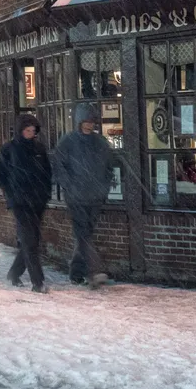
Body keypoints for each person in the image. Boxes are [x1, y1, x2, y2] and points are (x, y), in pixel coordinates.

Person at [51, 102, 118, 288]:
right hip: (76, 196)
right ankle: (93, 271)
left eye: (91, 121)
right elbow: (58, 165)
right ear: (79, 122)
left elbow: (109, 167)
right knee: (83, 234)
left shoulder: (100, 143)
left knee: (85, 234)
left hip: (95, 196)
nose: (89, 125)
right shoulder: (68, 142)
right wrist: (69, 186)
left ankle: (76, 272)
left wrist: (103, 187)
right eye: (86, 121)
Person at [0, 112, 52, 292]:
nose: (31, 133)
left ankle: (14, 272)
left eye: (33, 130)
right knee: (30, 240)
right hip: (20, 201)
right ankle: (38, 281)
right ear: (20, 130)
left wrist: (45, 192)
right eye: (27, 130)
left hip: (37, 201)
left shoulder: (39, 149)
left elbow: (46, 173)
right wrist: (11, 192)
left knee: (31, 240)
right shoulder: (9, 149)